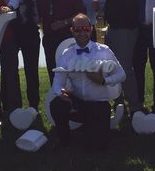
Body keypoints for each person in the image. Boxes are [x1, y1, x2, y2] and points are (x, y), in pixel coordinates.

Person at [50, 13, 125, 150]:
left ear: (91, 29)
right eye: (77, 29)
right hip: (77, 102)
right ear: (72, 31)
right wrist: (60, 92)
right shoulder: (67, 54)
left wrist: (103, 81)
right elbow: (58, 81)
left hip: (98, 104)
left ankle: (92, 131)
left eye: (85, 28)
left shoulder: (104, 51)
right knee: (57, 104)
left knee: (97, 148)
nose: (82, 32)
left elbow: (121, 75)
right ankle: (64, 139)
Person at [103, 0, 144, 115]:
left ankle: (134, 106)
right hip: (113, 28)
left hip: (125, 29)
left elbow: (128, 5)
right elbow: (112, 1)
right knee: (113, 67)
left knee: (125, 68)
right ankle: (119, 102)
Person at [35, 0, 86, 83]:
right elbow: (38, 17)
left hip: (69, 38)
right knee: (55, 75)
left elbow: (82, 13)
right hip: (50, 40)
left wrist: (64, 22)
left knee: (73, 75)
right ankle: (57, 99)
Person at [8, 0, 41, 112]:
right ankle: (14, 106)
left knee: (31, 68)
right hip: (11, 29)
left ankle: (34, 105)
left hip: (30, 27)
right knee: (10, 69)